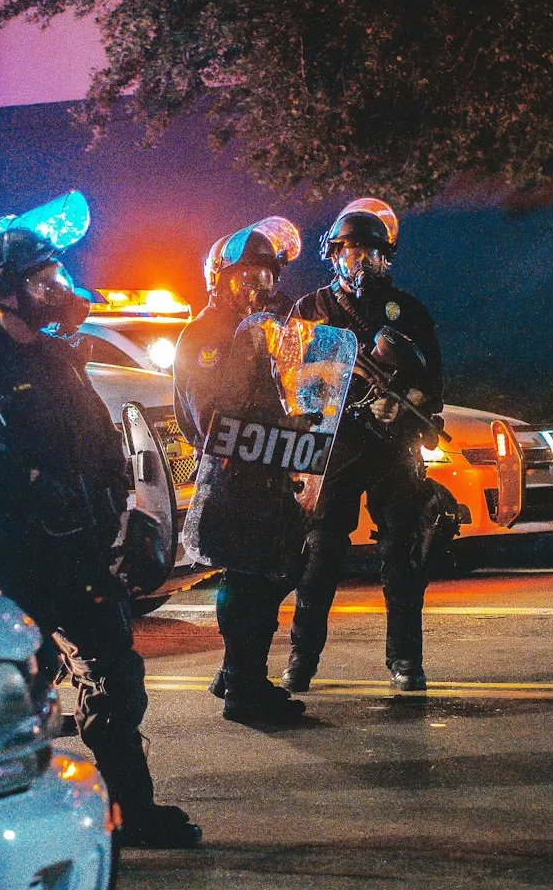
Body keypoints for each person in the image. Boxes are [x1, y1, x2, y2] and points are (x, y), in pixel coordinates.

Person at [0, 227, 201, 848]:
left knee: (116, 677)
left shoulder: (57, 357)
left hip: (81, 547)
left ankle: (133, 810)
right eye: (41, 280)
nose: (55, 288)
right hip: (18, 555)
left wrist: (119, 513)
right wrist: (11, 505)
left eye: (55, 276)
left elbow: (100, 445)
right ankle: (15, 823)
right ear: (4, 291)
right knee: (21, 690)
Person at [283, 198, 444, 693]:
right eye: (349, 250)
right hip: (335, 450)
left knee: (402, 557)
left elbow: (434, 382)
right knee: (320, 557)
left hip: (394, 450)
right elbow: (290, 379)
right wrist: (343, 405)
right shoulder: (312, 310)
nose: (359, 260)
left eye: (370, 252)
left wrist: (407, 400)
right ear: (331, 255)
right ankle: (301, 661)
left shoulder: (408, 310)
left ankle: (405, 662)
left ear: (385, 257)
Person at [175, 217, 308, 723]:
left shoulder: (266, 331)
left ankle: (237, 671)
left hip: (272, 466)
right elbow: (212, 415)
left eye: (268, 277)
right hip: (233, 473)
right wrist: (249, 356)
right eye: (249, 276)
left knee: (281, 568)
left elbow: (287, 396)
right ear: (222, 278)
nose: (261, 286)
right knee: (247, 575)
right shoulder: (206, 334)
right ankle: (243, 690)